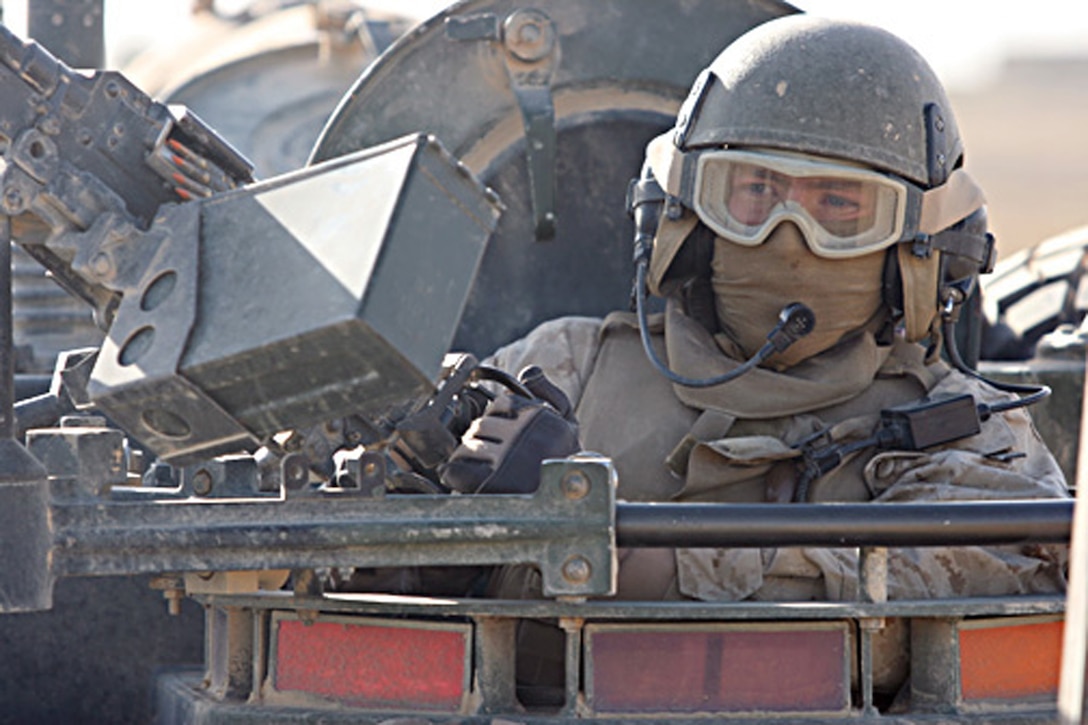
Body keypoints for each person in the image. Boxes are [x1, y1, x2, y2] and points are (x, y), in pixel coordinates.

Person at [436, 13, 1069, 699]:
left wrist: (613, 554)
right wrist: (451, 506)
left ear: (919, 254)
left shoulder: (970, 430)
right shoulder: (565, 364)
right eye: (755, 194)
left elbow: (938, 593)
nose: (787, 236)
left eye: (838, 205)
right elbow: (377, 568)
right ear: (680, 219)